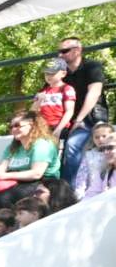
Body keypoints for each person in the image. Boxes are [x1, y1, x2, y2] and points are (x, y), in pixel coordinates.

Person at [0, 110, 60, 233]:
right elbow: (1, 168)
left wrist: (3, 175)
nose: (13, 129)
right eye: (11, 126)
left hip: (44, 181)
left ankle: (9, 232)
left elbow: (37, 173)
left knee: (4, 197)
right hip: (17, 180)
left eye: (17, 125)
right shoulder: (13, 147)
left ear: (32, 125)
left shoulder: (42, 144)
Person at [59, 36, 109, 182]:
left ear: (77, 50)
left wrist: (78, 120)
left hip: (91, 118)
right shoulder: (61, 73)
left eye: (64, 51)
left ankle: (68, 189)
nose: (60, 55)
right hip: (68, 119)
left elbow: (94, 93)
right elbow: (48, 92)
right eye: (59, 51)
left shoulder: (92, 66)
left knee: (72, 145)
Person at [34, 57, 76, 140]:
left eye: (52, 73)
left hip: (59, 127)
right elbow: (33, 111)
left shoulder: (67, 88)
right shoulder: (42, 91)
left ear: (63, 73)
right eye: (46, 73)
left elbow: (69, 111)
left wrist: (59, 129)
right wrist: (38, 102)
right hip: (43, 128)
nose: (48, 76)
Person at [73, 122, 116, 200]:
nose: (100, 139)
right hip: (94, 193)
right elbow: (82, 177)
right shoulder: (89, 155)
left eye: (104, 136)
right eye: (97, 137)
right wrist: (80, 194)